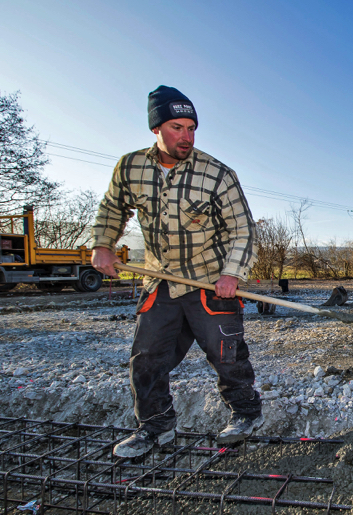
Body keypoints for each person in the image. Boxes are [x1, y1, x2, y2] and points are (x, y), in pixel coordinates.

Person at [91, 85, 261, 458]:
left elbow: (243, 229)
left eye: (191, 128)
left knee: (226, 354)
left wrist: (232, 274)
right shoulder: (131, 167)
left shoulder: (217, 173)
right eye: (177, 128)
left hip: (209, 280)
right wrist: (103, 244)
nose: (186, 136)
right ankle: (156, 426)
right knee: (147, 357)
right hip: (160, 278)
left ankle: (246, 413)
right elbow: (112, 209)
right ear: (157, 129)